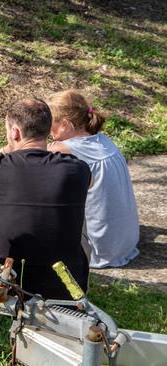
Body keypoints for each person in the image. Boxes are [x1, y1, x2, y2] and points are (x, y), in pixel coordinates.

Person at [0, 98, 91, 300]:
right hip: (69, 289)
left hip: (7, 288)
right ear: (47, 129)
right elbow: (90, 182)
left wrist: (3, 151)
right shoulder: (77, 169)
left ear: (14, 132)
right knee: (74, 204)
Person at [46, 90, 139, 268]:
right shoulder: (104, 141)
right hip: (124, 243)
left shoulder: (66, 149)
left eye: (52, 124)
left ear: (65, 124)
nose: (49, 131)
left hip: (98, 249)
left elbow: (23, 155)